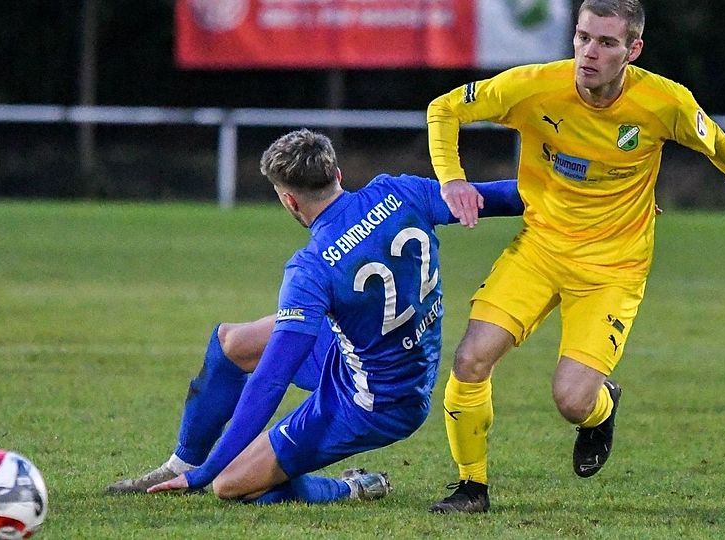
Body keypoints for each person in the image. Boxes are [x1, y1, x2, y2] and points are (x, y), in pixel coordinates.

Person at [424, 0, 725, 513]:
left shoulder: (662, 103)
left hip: (613, 270)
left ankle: (602, 410)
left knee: (572, 401)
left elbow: (715, 143)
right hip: (539, 249)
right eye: (582, 38)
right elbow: (444, 108)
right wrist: (453, 180)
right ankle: (472, 488)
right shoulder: (534, 87)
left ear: (633, 50)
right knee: (470, 359)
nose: (588, 53)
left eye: (606, 43)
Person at [106, 128, 524, 504]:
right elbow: (502, 195)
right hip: (370, 349)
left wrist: (210, 472)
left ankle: (353, 487)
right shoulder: (399, 191)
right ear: (337, 174)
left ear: (289, 201)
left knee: (231, 485)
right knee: (232, 341)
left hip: (374, 399)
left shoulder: (311, 268)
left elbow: (271, 379)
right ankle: (180, 464)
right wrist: (573, 195)